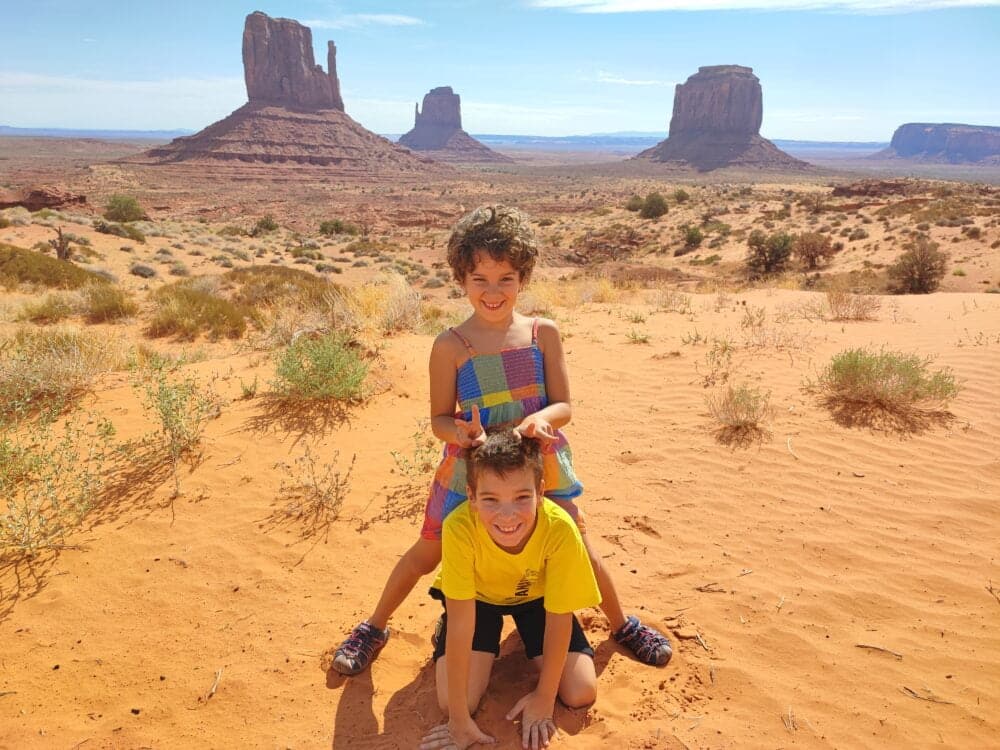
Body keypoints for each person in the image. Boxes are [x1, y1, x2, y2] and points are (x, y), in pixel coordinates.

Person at [333, 205, 671, 676]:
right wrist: (462, 433)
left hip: (539, 464)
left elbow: (564, 405)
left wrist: (535, 421)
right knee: (429, 552)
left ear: (523, 278)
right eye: (480, 280)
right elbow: (437, 419)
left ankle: (622, 624)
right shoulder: (450, 345)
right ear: (461, 279)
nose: (493, 292)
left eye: (506, 279)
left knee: (577, 541)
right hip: (471, 469)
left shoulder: (542, 333)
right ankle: (374, 626)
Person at [420, 430, 599, 750]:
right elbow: (463, 623)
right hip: (479, 601)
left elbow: (559, 616)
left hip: (537, 599)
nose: (507, 515)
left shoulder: (559, 529)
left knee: (580, 691)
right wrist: (458, 722)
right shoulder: (459, 528)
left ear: (540, 492)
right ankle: (444, 637)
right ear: (472, 496)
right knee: (453, 702)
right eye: (491, 499)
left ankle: (527, 637)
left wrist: (544, 699)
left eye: (521, 497)